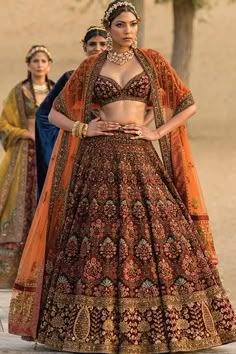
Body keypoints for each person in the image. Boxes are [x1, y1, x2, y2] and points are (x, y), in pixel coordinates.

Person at [9, 1, 236, 353]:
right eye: (119, 24)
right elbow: (54, 114)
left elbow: (188, 103)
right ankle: (87, 329)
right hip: (97, 160)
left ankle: (174, 325)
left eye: (132, 24)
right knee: (94, 237)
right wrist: (85, 127)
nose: (127, 30)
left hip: (142, 158)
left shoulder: (153, 61)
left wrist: (156, 133)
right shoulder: (90, 66)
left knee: (161, 233)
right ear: (108, 27)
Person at [0, 45, 54, 288]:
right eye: (35, 60)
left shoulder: (56, 90)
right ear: (29, 64)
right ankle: (13, 270)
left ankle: (46, 270)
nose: (39, 64)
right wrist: (24, 133)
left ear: (49, 64)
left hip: (49, 151)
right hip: (24, 153)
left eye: (43, 60)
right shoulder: (19, 92)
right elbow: (3, 123)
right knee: (19, 203)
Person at [35, 26, 107, 199]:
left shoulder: (123, 76)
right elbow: (44, 114)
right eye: (92, 44)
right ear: (85, 48)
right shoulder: (70, 78)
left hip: (113, 147)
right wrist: (73, 132)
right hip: (78, 151)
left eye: (103, 44)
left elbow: (153, 104)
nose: (97, 48)